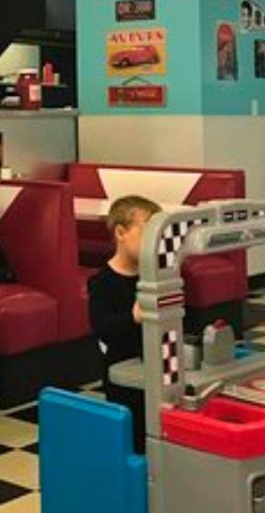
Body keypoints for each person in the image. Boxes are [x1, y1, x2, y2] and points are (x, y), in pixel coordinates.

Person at [87, 195, 162, 454]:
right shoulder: (102, 282)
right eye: (147, 234)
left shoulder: (154, 278)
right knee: (132, 436)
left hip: (156, 368)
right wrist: (133, 317)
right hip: (121, 375)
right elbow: (102, 328)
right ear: (121, 233)